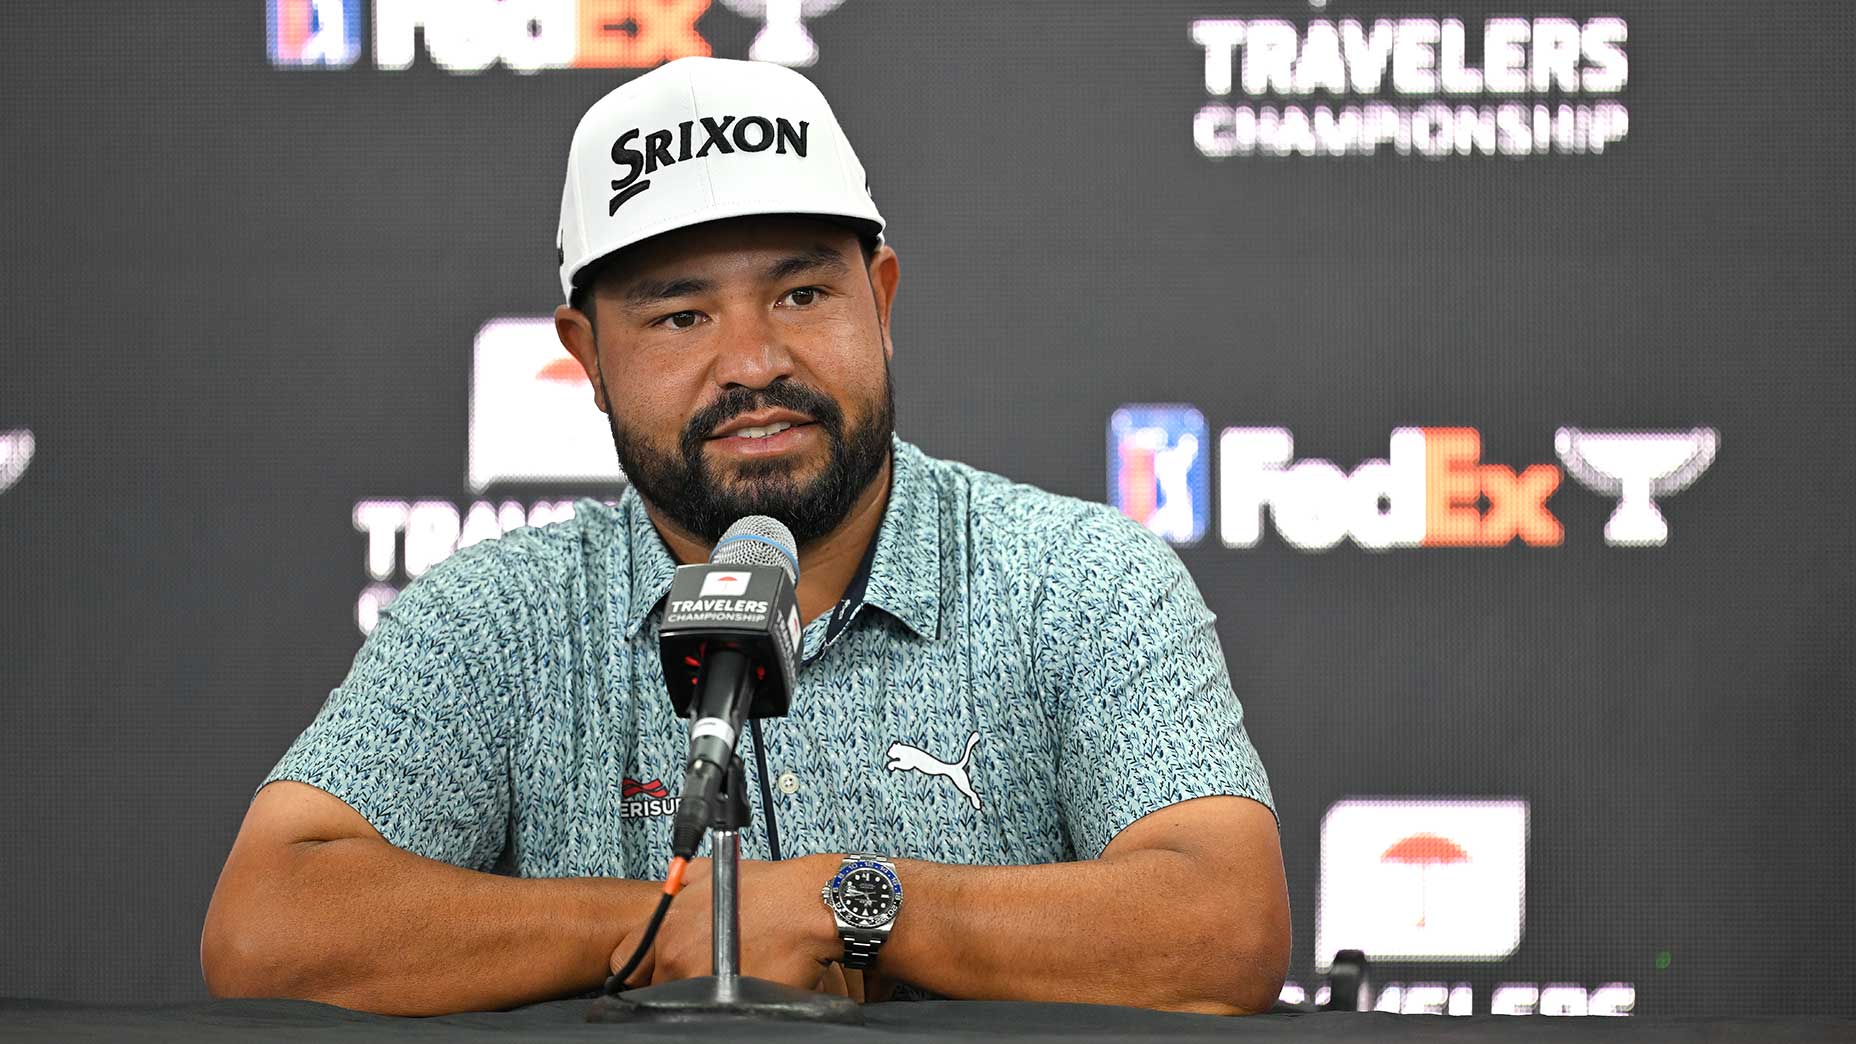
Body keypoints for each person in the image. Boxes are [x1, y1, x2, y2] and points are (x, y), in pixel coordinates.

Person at [201, 56, 1288, 1017]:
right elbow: (269, 925)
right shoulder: (497, 615)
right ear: (586, 357)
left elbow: (1221, 924)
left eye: (803, 292)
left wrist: (848, 907)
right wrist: (673, 926)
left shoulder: (1076, 577)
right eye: (680, 316)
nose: (752, 360)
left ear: (882, 299)